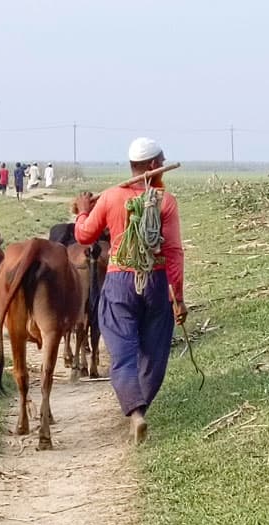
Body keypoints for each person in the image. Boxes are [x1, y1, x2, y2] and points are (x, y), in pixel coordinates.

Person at [73, 137, 186, 445]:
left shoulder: (110, 198)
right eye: (162, 161)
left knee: (122, 352)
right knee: (155, 351)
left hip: (120, 282)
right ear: (152, 166)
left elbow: (84, 235)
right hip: (156, 281)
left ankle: (134, 413)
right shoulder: (166, 201)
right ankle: (141, 407)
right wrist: (178, 297)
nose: (164, 166)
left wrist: (83, 211)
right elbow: (174, 252)